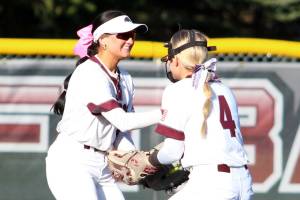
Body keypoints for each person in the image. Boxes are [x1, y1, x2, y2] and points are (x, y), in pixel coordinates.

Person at [45, 10, 161, 200]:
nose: (130, 40)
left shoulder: (126, 78)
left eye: (132, 35)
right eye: (123, 35)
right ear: (102, 40)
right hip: (72, 161)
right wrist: (165, 112)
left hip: (102, 163)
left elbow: (120, 132)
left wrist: (134, 159)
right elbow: (123, 121)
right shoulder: (89, 73)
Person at [148, 29, 254, 200]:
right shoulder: (223, 88)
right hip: (242, 182)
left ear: (175, 60)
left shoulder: (177, 90)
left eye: (169, 58)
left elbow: (173, 151)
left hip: (212, 183)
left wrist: (149, 161)